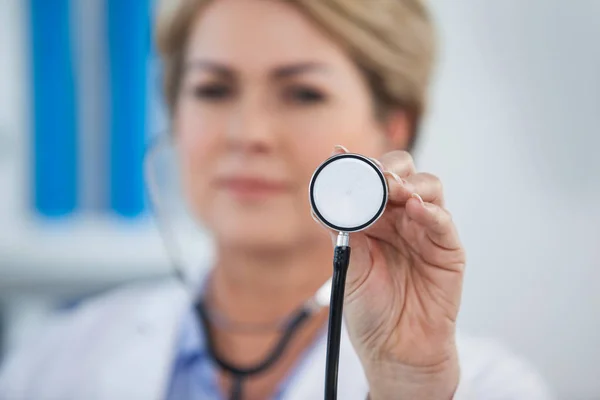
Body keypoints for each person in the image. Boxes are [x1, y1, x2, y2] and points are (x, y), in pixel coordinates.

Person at [0, 0, 552, 399]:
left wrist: (404, 388)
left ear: (394, 126)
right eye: (213, 89)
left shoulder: (489, 387)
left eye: (302, 92)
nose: (248, 133)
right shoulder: (53, 363)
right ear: (174, 112)